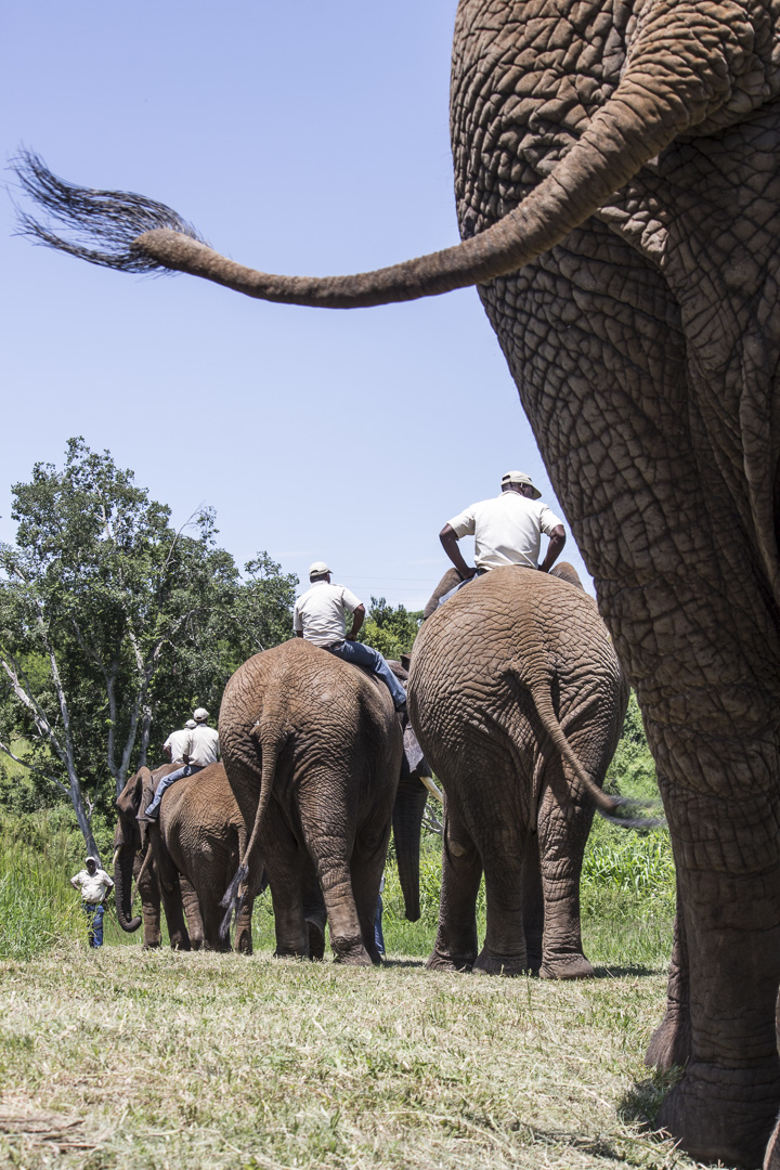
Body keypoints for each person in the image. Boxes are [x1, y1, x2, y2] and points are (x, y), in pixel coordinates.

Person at [293, 562, 408, 713]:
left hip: (312, 654)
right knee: (377, 658)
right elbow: (360, 610)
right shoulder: (338, 590)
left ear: (310, 580)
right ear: (327, 576)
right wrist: (353, 633)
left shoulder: (301, 600)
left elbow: (299, 635)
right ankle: (401, 700)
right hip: (338, 649)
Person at [439, 470, 566, 589]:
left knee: (440, 604)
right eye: (531, 492)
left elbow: (445, 534)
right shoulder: (539, 508)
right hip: (528, 574)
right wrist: (544, 569)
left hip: (485, 575)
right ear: (522, 486)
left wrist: (465, 571)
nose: (531, 497)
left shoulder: (478, 508)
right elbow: (559, 535)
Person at [144, 707, 220, 820]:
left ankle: (153, 809)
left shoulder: (191, 734)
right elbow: (219, 754)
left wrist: (188, 763)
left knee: (165, 780)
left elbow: (184, 755)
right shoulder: (215, 733)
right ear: (207, 719)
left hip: (194, 768)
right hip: (212, 770)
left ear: (195, 720)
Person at [70, 855, 114, 948]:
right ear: (86, 865)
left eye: (92, 863)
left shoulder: (101, 874)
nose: (91, 865)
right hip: (86, 904)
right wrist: (78, 889)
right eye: (89, 863)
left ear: (95, 864)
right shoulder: (82, 874)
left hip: (98, 904)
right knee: (88, 926)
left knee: (97, 925)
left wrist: (106, 896)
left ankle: (98, 947)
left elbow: (110, 884)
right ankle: (91, 945)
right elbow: (72, 881)